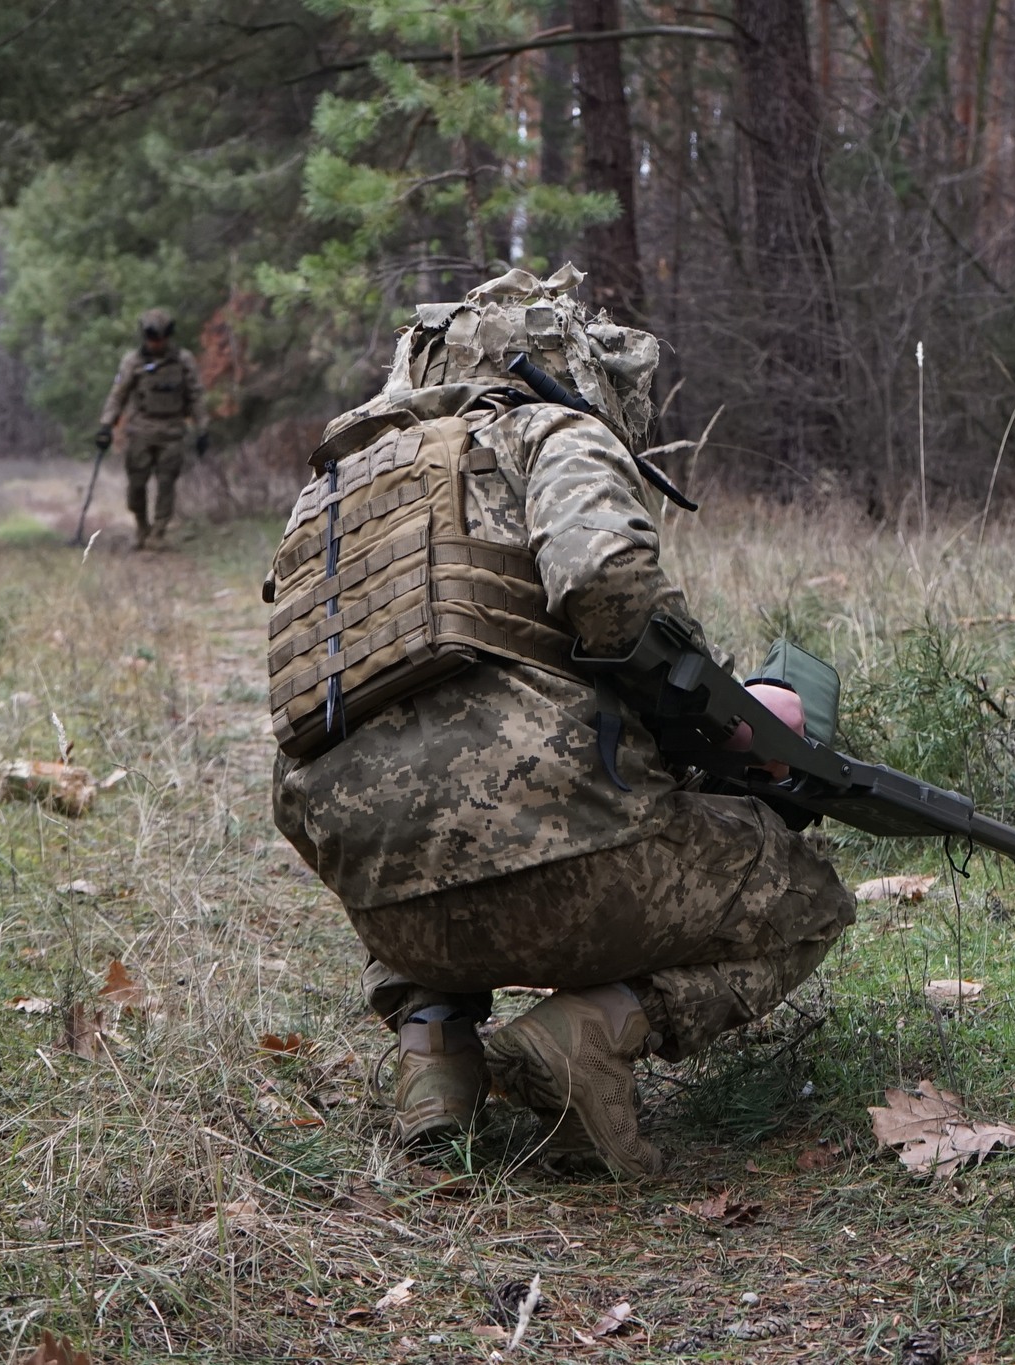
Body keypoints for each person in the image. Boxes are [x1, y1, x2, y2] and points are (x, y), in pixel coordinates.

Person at [266, 265, 855, 1178]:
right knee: (809, 896)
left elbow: (299, 731)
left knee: (418, 798)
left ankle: (435, 1069)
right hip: (568, 878)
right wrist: (724, 720)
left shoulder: (328, 501)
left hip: (393, 911)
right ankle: (587, 1036)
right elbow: (605, 584)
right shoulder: (547, 428)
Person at [95, 307, 207, 549]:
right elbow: (118, 395)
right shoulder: (133, 362)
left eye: (161, 339)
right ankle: (141, 526)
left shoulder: (183, 361)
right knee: (136, 483)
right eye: (152, 339)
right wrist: (106, 425)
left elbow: (196, 396)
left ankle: (158, 531)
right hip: (140, 430)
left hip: (172, 430)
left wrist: (202, 428)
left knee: (167, 482)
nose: (157, 344)